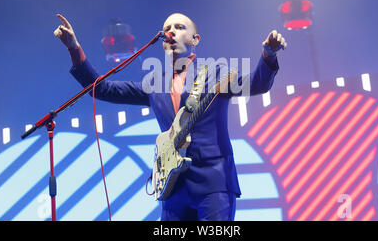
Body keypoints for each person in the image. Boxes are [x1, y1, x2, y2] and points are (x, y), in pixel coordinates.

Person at [54, 12, 287, 221]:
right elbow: (104, 89)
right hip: (172, 188)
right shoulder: (154, 84)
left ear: (195, 40)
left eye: (179, 27)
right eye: (167, 28)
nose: (171, 32)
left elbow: (257, 83)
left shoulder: (216, 75)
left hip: (213, 184)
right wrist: (74, 48)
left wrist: (268, 56)